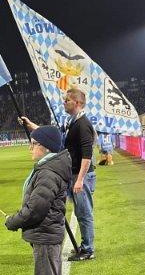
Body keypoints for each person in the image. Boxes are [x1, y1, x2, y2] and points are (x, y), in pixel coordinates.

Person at [4, 126, 73, 275]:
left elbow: (36, 209)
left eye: (33, 144)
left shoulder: (48, 172)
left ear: (45, 147)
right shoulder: (50, 168)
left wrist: (13, 221)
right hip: (48, 232)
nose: (30, 148)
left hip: (45, 234)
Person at [20, 88, 96, 262]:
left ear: (77, 103)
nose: (64, 103)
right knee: (77, 211)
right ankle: (85, 247)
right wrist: (30, 124)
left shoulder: (83, 124)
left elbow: (87, 154)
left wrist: (80, 179)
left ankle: (88, 250)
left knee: (84, 213)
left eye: (67, 100)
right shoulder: (72, 122)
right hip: (73, 174)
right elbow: (52, 136)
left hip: (80, 175)